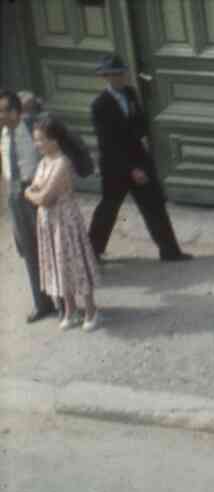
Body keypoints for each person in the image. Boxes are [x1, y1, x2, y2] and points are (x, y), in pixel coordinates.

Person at [87, 54, 191, 262]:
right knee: (108, 209)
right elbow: (108, 143)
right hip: (116, 166)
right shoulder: (100, 105)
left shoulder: (131, 94)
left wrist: (142, 156)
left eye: (121, 73)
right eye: (114, 75)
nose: (120, 78)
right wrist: (131, 169)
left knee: (154, 206)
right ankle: (91, 252)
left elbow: (140, 124)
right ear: (105, 77)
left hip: (139, 159)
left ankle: (170, 251)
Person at [24, 116, 100, 331]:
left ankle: (92, 310)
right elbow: (35, 189)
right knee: (57, 263)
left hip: (65, 221)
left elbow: (43, 196)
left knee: (75, 262)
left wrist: (31, 193)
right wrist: (34, 192)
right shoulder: (43, 163)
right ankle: (71, 309)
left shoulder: (62, 163)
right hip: (48, 221)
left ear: (54, 140)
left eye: (40, 140)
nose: (37, 144)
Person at [1, 89, 56, 322]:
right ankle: (42, 303)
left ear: (17, 111)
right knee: (29, 250)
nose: (0, 116)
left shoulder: (34, 127)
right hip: (14, 194)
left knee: (50, 247)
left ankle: (65, 302)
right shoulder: (1, 133)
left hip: (36, 190)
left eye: (4, 111)